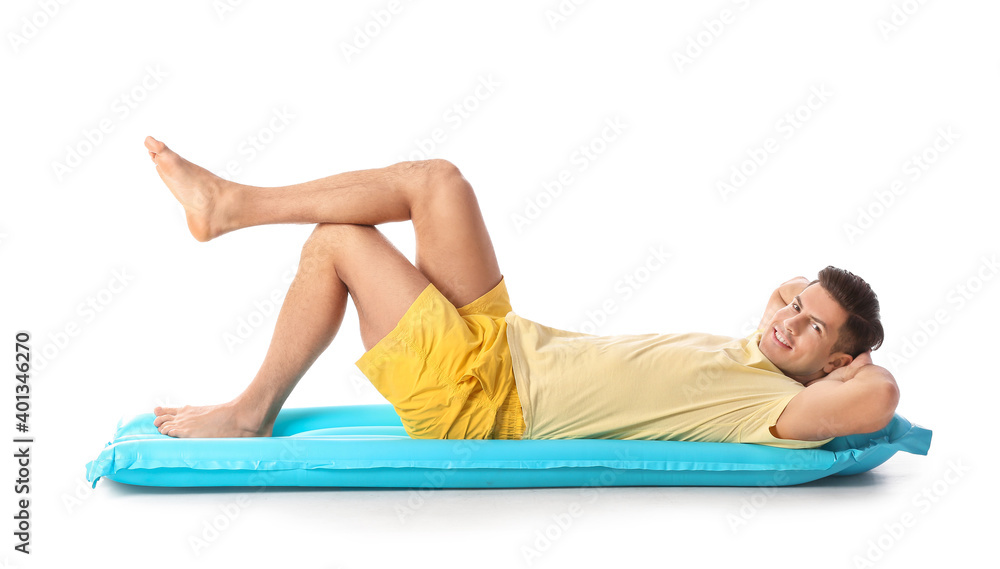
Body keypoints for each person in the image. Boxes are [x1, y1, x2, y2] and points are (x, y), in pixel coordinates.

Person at [147, 136, 899, 447]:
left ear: (838, 364)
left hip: (484, 397)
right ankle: (233, 205)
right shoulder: (758, 345)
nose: (789, 322)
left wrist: (855, 359)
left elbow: (878, 399)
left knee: (338, 243)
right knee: (437, 180)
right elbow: (786, 296)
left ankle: (250, 412)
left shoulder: (771, 406)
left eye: (813, 331)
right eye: (793, 306)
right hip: (501, 344)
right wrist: (808, 306)